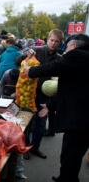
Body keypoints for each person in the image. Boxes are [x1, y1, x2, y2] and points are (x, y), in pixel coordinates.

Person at [25, 34, 89, 182]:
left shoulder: (77, 56)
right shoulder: (84, 60)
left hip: (80, 120)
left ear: (73, 46)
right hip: (83, 118)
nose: (65, 51)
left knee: (69, 156)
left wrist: (30, 71)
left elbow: (53, 67)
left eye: (66, 47)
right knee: (75, 155)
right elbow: (73, 88)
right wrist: (51, 106)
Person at [25, 29, 64, 159]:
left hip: (45, 97)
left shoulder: (60, 59)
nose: (53, 43)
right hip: (30, 93)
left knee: (41, 126)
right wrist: (26, 54)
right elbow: (18, 60)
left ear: (60, 43)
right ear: (47, 39)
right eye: (52, 40)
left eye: (56, 41)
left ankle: (35, 148)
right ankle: (25, 149)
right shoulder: (36, 50)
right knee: (28, 123)